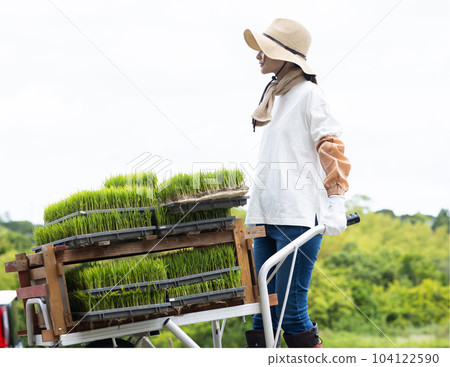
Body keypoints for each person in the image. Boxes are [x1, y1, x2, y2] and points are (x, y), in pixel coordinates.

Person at [243, 18, 351, 348]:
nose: (257, 55)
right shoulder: (276, 97)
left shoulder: (308, 95)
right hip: (262, 216)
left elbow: (330, 145)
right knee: (263, 314)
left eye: (265, 49)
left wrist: (336, 200)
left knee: (290, 314)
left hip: (297, 220)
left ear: (285, 56)